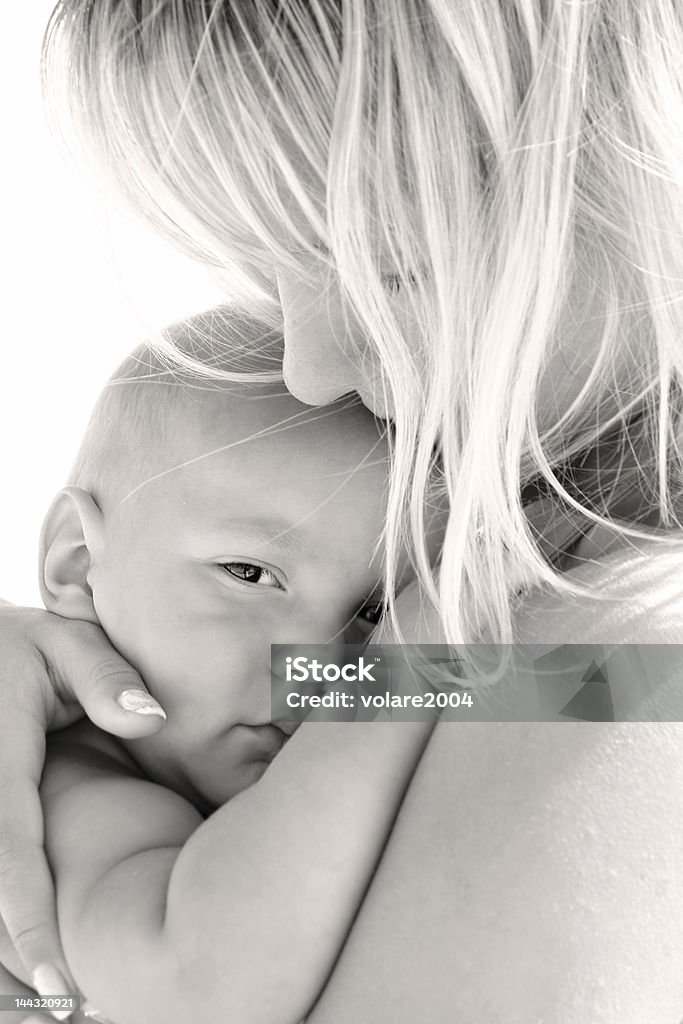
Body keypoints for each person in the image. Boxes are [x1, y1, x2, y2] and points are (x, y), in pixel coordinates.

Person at [2, 1, 683, 1018]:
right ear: (73, 558)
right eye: (271, 271)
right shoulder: (84, 782)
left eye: (388, 266)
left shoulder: (607, 639)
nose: (310, 367)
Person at [0, 314, 439, 1024]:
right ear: (78, 563)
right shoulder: (73, 789)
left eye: (374, 612)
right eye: (249, 572)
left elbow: (620, 686)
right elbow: (201, 986)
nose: (319, 663)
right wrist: (420, 654)